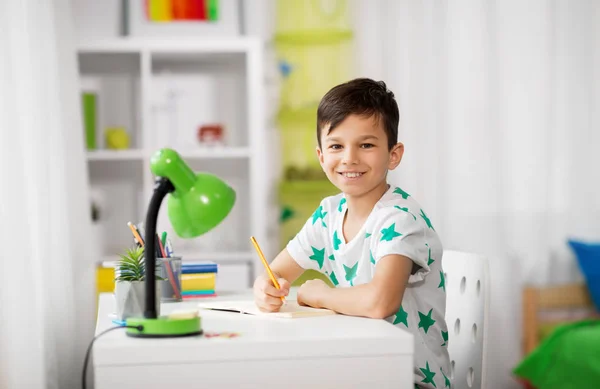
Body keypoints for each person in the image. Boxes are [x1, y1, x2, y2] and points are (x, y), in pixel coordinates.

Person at [253, 78, 451, 389]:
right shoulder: (328, 214)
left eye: (367, 145)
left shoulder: (399, 219)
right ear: (321, 156)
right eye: (336, 146)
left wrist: (320, 295)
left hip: (408, 378)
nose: (350, 158)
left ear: (394, 154)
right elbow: (275, 273)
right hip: (363, 365)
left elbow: (380, 302)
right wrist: (265, 288)